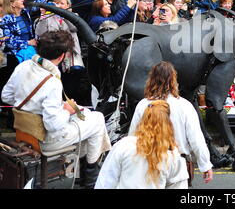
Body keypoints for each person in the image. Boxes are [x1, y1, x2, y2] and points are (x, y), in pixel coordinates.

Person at [1, 30, 111, 189]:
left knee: (87, 115)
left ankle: (80, 171)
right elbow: (53, 125)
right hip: (45, 141)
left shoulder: (23, 66)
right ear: (62, 56)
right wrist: (67, 110)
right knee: (98, 119)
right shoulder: (52, 82)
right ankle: (90, 178)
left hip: (24, 132)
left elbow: (6, 96)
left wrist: (30, 107)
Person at [128, 61, 213, 185]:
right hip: (178, 163)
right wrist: (205, 165)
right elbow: (196, 139)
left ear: (151, 80)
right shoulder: (185, 106)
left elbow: (133, 138)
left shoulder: (143, 105)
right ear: (174, 80)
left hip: (149, 163)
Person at [95, 100, 189, 189]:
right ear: (168, 124)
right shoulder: (172, 154)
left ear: (143, 120)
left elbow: (105, 181)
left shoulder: (124, 145)